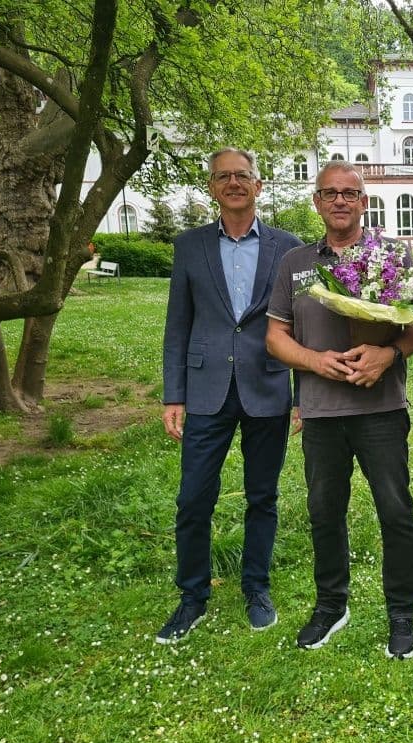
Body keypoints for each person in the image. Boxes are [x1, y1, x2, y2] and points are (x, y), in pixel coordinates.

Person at [265, 160, 413, 659]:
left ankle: (402, 612)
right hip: (321, 411)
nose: (339, 200)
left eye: (349, 193)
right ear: (316, 201)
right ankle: (332, 605)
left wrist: (389, 353)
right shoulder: (294, 263)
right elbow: (275, 337)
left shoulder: (393, 253)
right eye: (329, 192)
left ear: (363, 201)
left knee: (395, 511)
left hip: (380, 408)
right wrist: (314, 361)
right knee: (323, 512)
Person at [158, 147, 303, 644]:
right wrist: (172, 394)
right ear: (212, 187)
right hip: (205, 391)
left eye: (243, 175)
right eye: (223, 176)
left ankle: (256, 587)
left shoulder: (289, 247)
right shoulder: (189, 246)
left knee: (263, 496)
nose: (234, 183)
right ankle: (192, 595)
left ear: (259, 186)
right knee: (193, 498)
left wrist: (302, 393)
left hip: (267, 385)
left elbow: (303, 326)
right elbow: (177, 326)